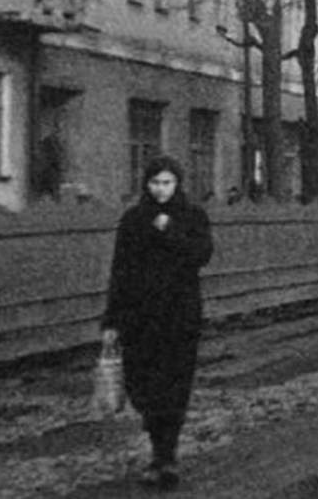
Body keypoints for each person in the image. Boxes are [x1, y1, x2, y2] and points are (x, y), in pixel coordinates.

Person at [102, 156, 214, 489]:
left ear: (177, 184)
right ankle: (159, 448)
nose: (160, 189)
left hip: (179, 318)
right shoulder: (133, 220)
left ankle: (164, 458)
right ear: (146, 185)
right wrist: (111, 321)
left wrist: (170, 230)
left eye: (167, 183)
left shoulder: (193, 217)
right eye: (155, 183)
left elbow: (201, 255)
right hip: (140, 319)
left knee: (174, 388)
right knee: (142, 388)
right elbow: (119, 271)